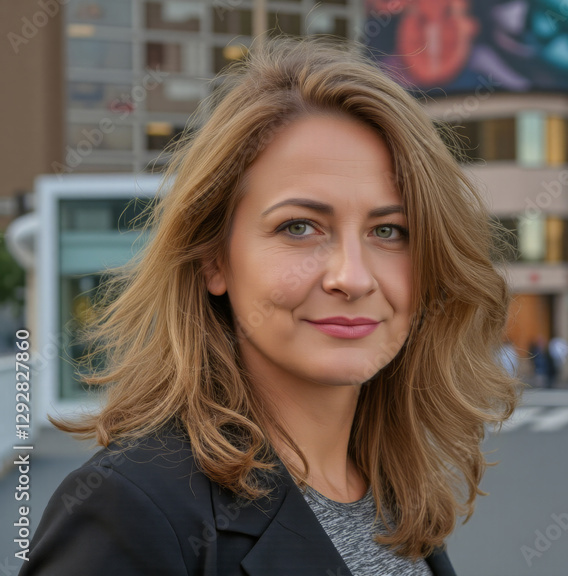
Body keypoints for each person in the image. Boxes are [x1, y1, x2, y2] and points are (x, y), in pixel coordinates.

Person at [20, 37, 522, 576]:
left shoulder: (391, 492)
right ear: (214, 259)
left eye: (388, 231)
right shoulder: (129, 511)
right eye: (299, 227)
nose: (352, 277)